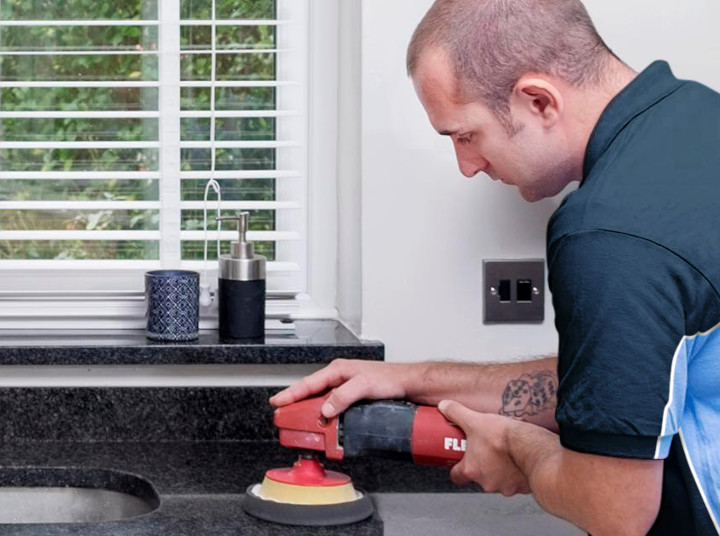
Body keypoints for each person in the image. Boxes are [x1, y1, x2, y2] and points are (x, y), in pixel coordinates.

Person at [271, 0, 720, 534]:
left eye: (465, 135)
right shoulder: (696, 118)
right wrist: (413, 379)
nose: (467, 166)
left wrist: (517, 448)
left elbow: (614, 506)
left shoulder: (609, 233)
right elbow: (637, 378)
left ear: (538, 100)